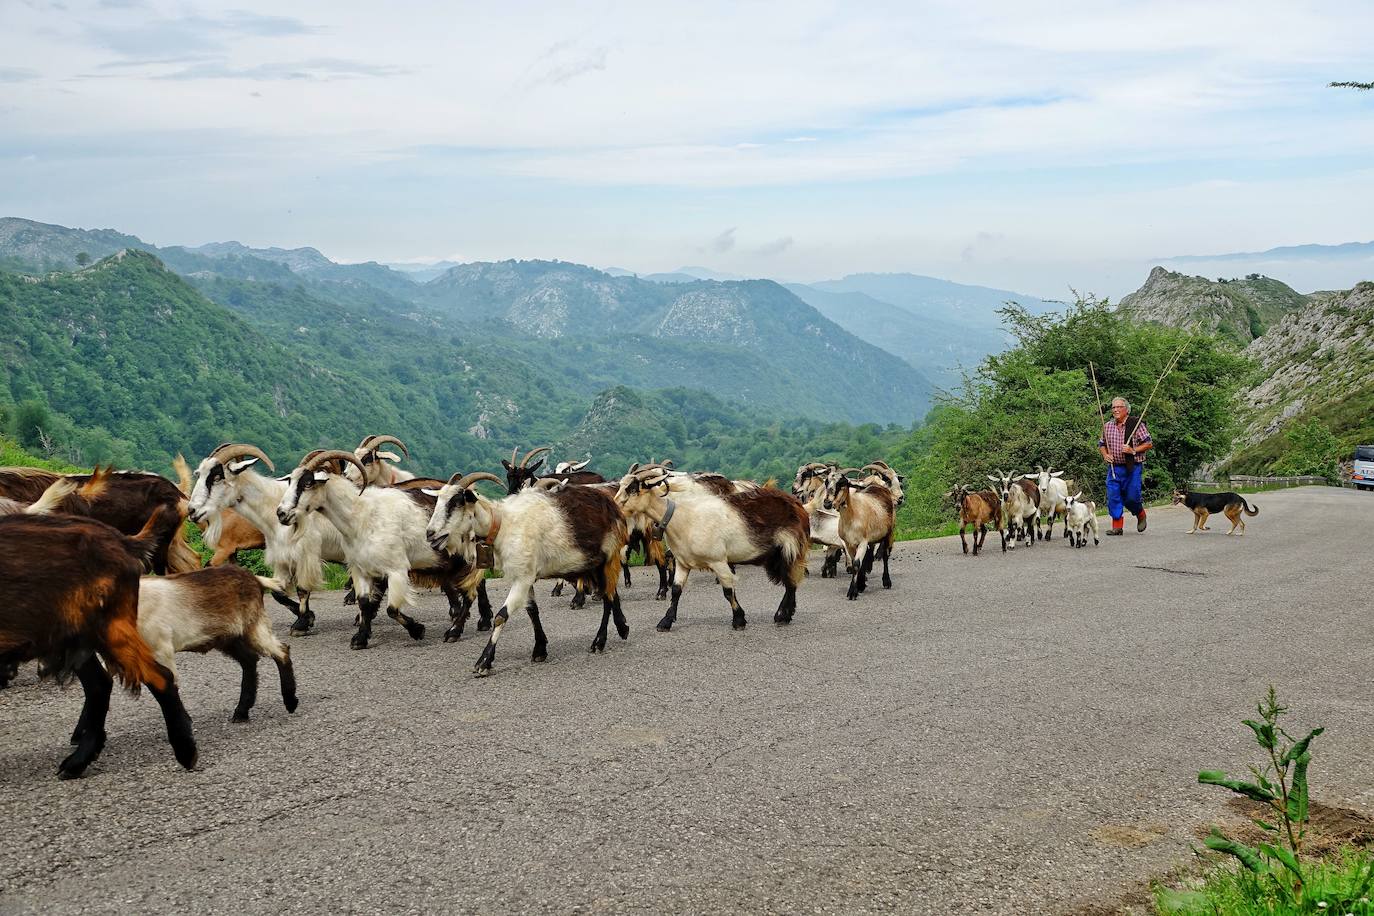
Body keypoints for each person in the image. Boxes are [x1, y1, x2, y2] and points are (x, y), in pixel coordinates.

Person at [1098, 396, 1153, 536]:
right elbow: (1102, 444)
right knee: (1113, 496)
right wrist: (1105, 455)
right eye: (1113, 407)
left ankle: (1140, 513)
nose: (1115, 410)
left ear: (1126, 410)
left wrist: (1133, 450)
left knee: (1132, 497)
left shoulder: (1136, 424)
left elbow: (1148, 443)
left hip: (1132, 467)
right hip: (1114, 468)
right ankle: (1117, 527)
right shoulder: (1107, 426)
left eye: (1119, 407)